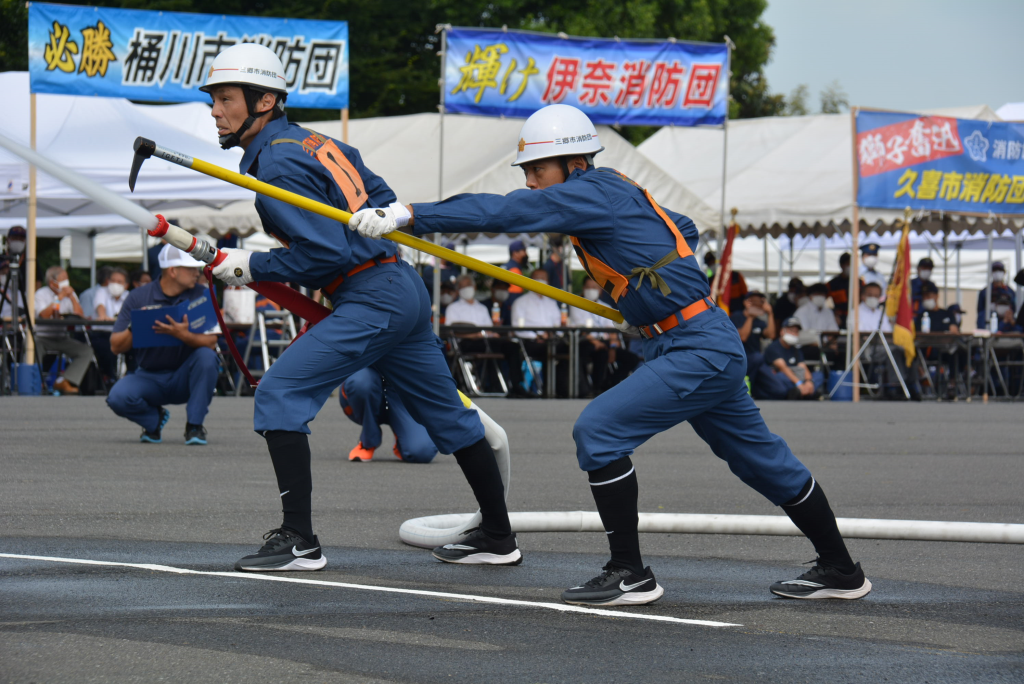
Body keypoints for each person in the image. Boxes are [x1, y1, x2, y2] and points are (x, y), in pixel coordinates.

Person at [353, 103, 870, 605]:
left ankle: (630, 574)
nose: (531, 180)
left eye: (537, 168)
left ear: (575, 164)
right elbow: (681, 228)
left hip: (697, 346)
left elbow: (506, 208)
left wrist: (409, 215)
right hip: (694, 339)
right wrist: (648, 294)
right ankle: (842, 570)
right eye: (527, 170)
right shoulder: (611, 191)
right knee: (763, 462)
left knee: (598, 430)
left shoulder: (592, 190)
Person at [202, 43, 516, 572]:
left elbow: (322, 252)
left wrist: (254, 266)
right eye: (213, 99)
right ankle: (499, 536)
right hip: (401, 285)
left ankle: (299, 541)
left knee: (280, 391)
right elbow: (384, 198)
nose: (215, 110)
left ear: (264, 102)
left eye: (226, 98)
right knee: (448, 415)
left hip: (372, 295)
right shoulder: (317, 142)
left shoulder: (275, 162)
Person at [106, 245, 221, 444]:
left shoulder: (202, 294)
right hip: (149, 376)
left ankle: (194, 426)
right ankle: (153, 421)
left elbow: (211, 342)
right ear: (173, 271)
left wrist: (184, 335)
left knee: (207, 357)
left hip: (185, 376)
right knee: (117, 397)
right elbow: (115, 346)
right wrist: (137, 326)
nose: (197, 273)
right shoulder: (138, 297)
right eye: (190, 268)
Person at [341, 368, 438, 463]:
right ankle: (368, 441)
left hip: (402, 386)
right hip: (368, 377)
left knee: (422, 452)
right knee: (360, 383)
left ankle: (402, 441)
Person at [34, 266, 95, 395]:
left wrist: (72, 298)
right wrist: (59, 297)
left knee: (85, 351)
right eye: (63, 279)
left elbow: (79, 314)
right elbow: (44, 315)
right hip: (42, 336)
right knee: (34, 347)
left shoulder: (70, 294)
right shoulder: (40, 294)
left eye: (67, 278)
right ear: (52, 282)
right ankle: (35, 382)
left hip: (61, 336)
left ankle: (65, 381)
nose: (66, 282)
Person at [510, 268, 566, 395]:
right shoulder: (520, 302)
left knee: (569, 349)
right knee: (548, 350)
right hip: (530, 342)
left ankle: (563, 388)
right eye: (537, 277)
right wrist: (536, 336)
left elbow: (559, 325)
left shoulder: (552, 303)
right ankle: (547, 388)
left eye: (543, 278)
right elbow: (517, 326)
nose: (541, 280)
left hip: (551, 340)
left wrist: (551, 335)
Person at [756, 317, 817, 400]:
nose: (793, 334)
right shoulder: (773, 347)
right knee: (781, 377)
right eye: (791, 330)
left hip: (795, 376)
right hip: (781, 376)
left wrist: (809, 382)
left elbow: (803, 366)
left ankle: (802, 391)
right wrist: (799, 383)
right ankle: (799, 391)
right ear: (782, 331)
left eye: (796, 332)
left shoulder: (795, 349)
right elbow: (783, 368)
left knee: (818, 375)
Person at [90, 266, 130, 385]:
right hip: (102, 333)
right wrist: (102, 316)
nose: (115, 284)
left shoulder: (129, 295)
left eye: (119, 282)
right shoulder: (101, 292)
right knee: (107, 348)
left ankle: (131, 376)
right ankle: (110, 377)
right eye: (112, 281)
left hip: (123, 334)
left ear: (126, 285)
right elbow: (100, 306)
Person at [730, 290, 775, 382]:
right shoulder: (736, 316)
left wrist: (770, 314)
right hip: (739, 359)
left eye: (760, 302)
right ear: (746, 302)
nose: (756, 304)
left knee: (778, 388)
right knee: (758, 357)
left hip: (756, 361)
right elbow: (743, 337)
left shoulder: (759, 321)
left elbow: (771, 335)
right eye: (753, 301)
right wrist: (750, 316)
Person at [976, 261, 1016, 329]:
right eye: (995, 270)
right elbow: (980, 310)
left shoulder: (1010, 292)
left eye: (1000, 270)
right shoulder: (985, 292)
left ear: (1004, 272)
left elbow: (1014, 309)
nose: (997, 273)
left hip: (1006, 324)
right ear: (991, 272)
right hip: (990, 322)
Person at [827, 252, 855, 328]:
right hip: (839, 319)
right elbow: (826, 303)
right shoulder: (833, 284)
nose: (850, 266)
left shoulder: (859, 282)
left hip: (855, 317)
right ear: (842, 265)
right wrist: (833, 312)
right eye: (847, 264)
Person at [503, 239, 530, 304]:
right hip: (510, 305)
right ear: (515, 253)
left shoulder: (507, 266)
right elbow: (516, 294)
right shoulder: (514, 269)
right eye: (523, 251)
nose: (525, 254)